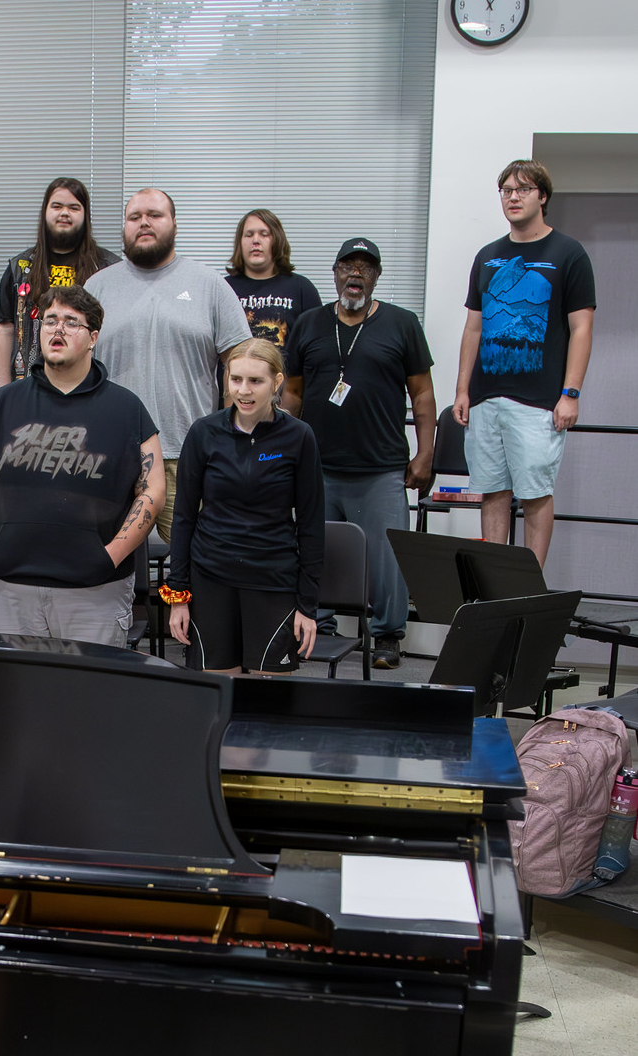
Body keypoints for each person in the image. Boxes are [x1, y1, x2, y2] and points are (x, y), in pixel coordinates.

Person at [0, 284, 164, 648]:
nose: (58, 329)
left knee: (86, 701)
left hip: (95, 591)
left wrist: (110, 555)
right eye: (50, 320)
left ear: (93, 337)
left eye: (72, 322)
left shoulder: (126, 409)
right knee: (17, 696)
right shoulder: (2, 403)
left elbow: (152, 491)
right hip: (11, 587)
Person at [283, 238, 436, 669]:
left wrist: (425, 455)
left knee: (387, 559)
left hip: (381, 468)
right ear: (334, 273)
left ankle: (387, 635)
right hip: (316, 468)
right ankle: (321, 629)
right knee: (317, 551)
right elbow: (292, 393)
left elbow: (423, 395)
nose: (356, 274)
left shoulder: (402, 324)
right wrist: (280, 449)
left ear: (377, 277)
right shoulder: (309, 324)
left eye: (366, 268)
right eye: (348, 265)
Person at [452, 158, 596, 566]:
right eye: (507, 191)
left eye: (524, 189)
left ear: (543, 196)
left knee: (534, 494)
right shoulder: (488, 256)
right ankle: (497, 586)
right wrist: (463, 389)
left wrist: (570, 393)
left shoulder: (569, 253)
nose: (513, 197)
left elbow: (582, 329)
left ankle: (530, 588)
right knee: (493, 493)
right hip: (485, 399)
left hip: (539, 403)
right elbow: (474, 328)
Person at [86, 188, 251, 543]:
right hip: (110, 457)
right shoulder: (97, 288)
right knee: (106, 565)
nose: (144, 223)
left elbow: (243, 369)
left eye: (155, 215)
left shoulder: (211, 286)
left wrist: (229, 438)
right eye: (134, 217)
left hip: (188, 456)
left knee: (194, 564)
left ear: (174, 223)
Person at [165, 337, 323, 673]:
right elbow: (183, 519)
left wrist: (308, 607)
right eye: (236, 379)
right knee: (219, 693)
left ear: (277, 382)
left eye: (255, 381)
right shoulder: (204, 433)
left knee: (266, 703)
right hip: (211, 578)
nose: (244, 391)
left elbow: (311, 525)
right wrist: (178, 595)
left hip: (272, 579)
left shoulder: (299, 437)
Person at [0, 177, 119, 386]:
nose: (64, 213)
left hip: (91, 387)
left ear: (85, 215)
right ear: (45, 212)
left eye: (74, 207)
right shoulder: (19, 268)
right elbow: (5, 329)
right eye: (57, 206)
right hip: (30, 387)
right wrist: (5, 390)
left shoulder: (108, 268)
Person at [224, 208, 322, 350]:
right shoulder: (223, 289)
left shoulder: (302, 289)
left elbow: (317, 348)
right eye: (248, 235)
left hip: (286, 372)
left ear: (277, 240)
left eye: (264, 234)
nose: (256, 241)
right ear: (240, 242)